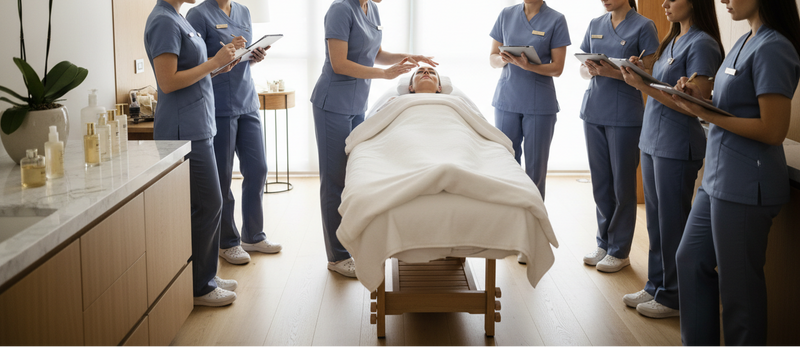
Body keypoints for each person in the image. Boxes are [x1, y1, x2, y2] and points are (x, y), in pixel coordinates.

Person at [670, 0, 800, 344]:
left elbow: (773, 130)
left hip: (745, 183)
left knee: (738, 290)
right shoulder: (744, 41)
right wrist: (699, 99)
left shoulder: (774, 47)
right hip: (717, 176)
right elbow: (733, 105)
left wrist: (707, 114)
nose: (723, 0)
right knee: (690, 260)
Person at [310, 0, 437, 278]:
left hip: (357, 104)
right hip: (333, 103)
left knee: (354, 176)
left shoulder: (372, 9)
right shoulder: (341, 9)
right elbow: (339, 63)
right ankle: (337, 256)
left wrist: (409, 57)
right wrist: (384, 75)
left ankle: (351, 242)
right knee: (334, 179)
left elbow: (376, 53)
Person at [618, 0, 723, 319]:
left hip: (676, 144)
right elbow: (663, 85)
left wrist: (643, 85)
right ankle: (656, 285)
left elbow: (693, 105)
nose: (664, 3)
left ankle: (674, 296)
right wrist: (641, 70)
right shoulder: (672, 39)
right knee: (656, 222)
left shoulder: (703, 44)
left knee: (672, 224)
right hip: (652, 140)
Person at [144, 0, 239, 306]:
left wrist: (220, 66)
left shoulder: (178, 17)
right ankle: (200, 286)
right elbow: (167, 82)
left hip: (199, 123)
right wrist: (213, 62)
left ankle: (204, 274)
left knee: (207, 204)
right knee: (209, 203)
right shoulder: (163, 21)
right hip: (183, 128)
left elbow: (190, 72)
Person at [187, 0, 283, 267]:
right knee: (223, 176)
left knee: (258, 168)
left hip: (247, 100)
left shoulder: (244, 11)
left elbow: (241, 59)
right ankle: (227, 242)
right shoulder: (198, 14)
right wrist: (224, 54)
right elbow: (195, 64)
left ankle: (253, 235)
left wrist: (254, 56)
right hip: (220, 105)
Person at [579, 0, 659, 273]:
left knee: (622, 186)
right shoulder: (595, 24)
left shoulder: (644, 26)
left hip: (625, 115)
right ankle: (603, 243)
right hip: (593, 111)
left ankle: (619, 250)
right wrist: (589, 69)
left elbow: (650, 74)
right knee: (601, 183)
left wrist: (611, 72)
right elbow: (582, 68)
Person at [489, 0, 570, 204]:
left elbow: (557, 68)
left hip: (539, 102)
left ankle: (534, 216)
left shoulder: (556, 19)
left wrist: (528, 66)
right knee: (507, 163)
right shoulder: (506, 14)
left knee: (535, 168)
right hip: (507, 99)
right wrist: (505, 59)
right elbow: (492, 58)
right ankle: (509, 214)